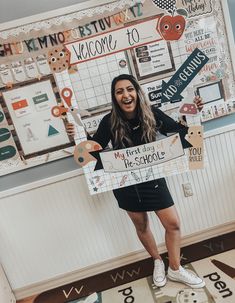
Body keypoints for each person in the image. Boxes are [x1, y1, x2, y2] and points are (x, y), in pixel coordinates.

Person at [66, 74, 205, 289]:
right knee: (141, 225)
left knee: (173, 224)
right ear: (115, 97)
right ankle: (157, 261)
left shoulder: (152, 114)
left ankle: (175, 268)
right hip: (125, 185)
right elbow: (94, 149)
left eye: (129, 89)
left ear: (137, 92)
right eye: (119, 91)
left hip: (153, 180)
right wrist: (76, 136)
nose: (125, 95)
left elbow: (182, 134)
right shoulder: (109, 121)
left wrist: (193, 113)